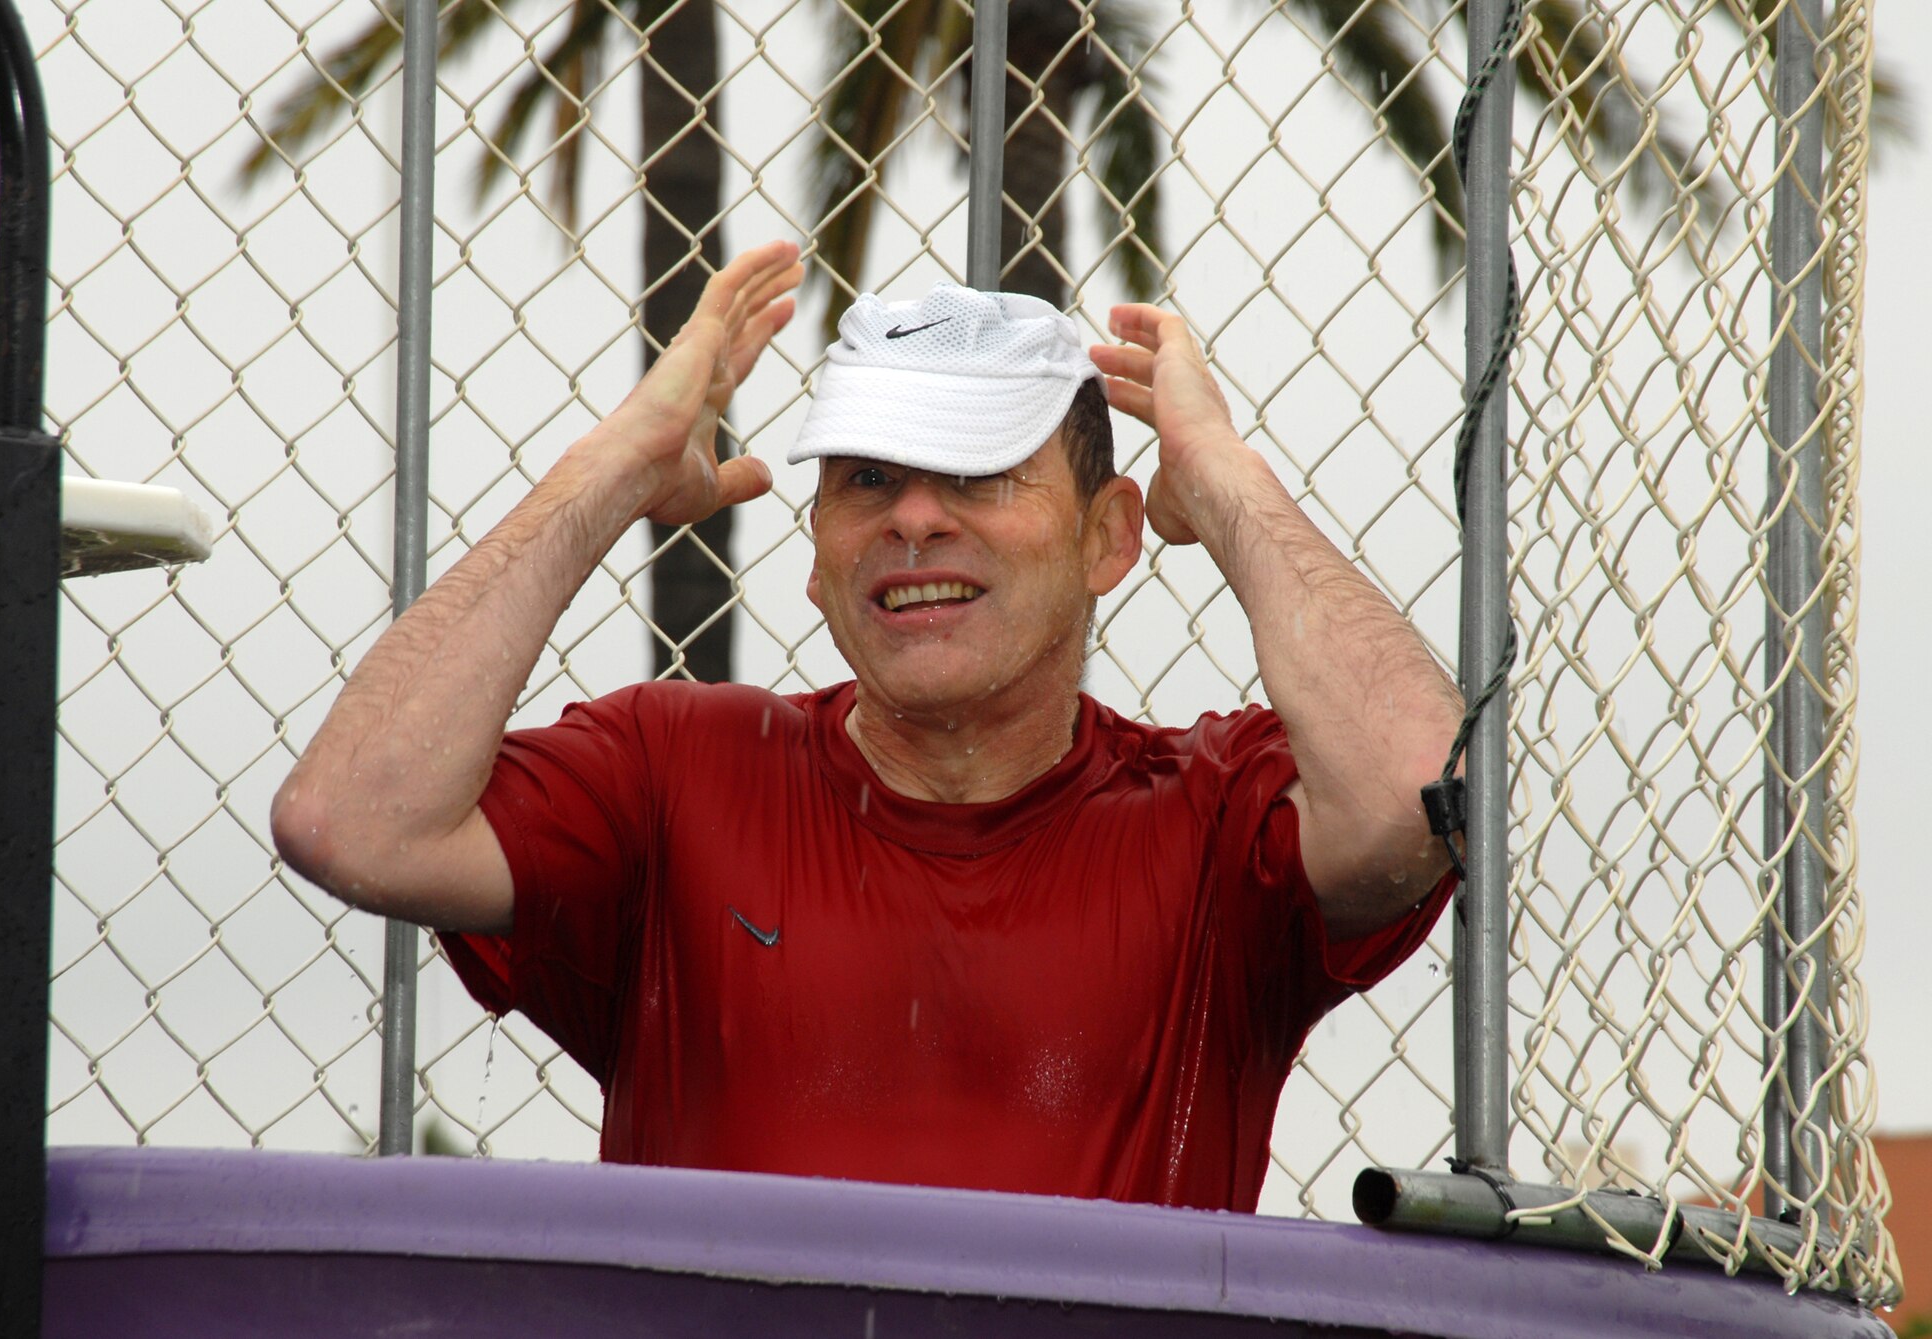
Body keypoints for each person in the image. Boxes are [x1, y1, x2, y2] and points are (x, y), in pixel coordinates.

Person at [272, 240, 1463, 1210]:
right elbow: (349, 822)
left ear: (1109, 535)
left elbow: (1421, 795)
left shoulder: (1209, 815)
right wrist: (611, 467)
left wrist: (1230, 481)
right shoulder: (677, 773)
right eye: (866, 481)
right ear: (816, 559)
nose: (914, 521)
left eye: (982, 472)